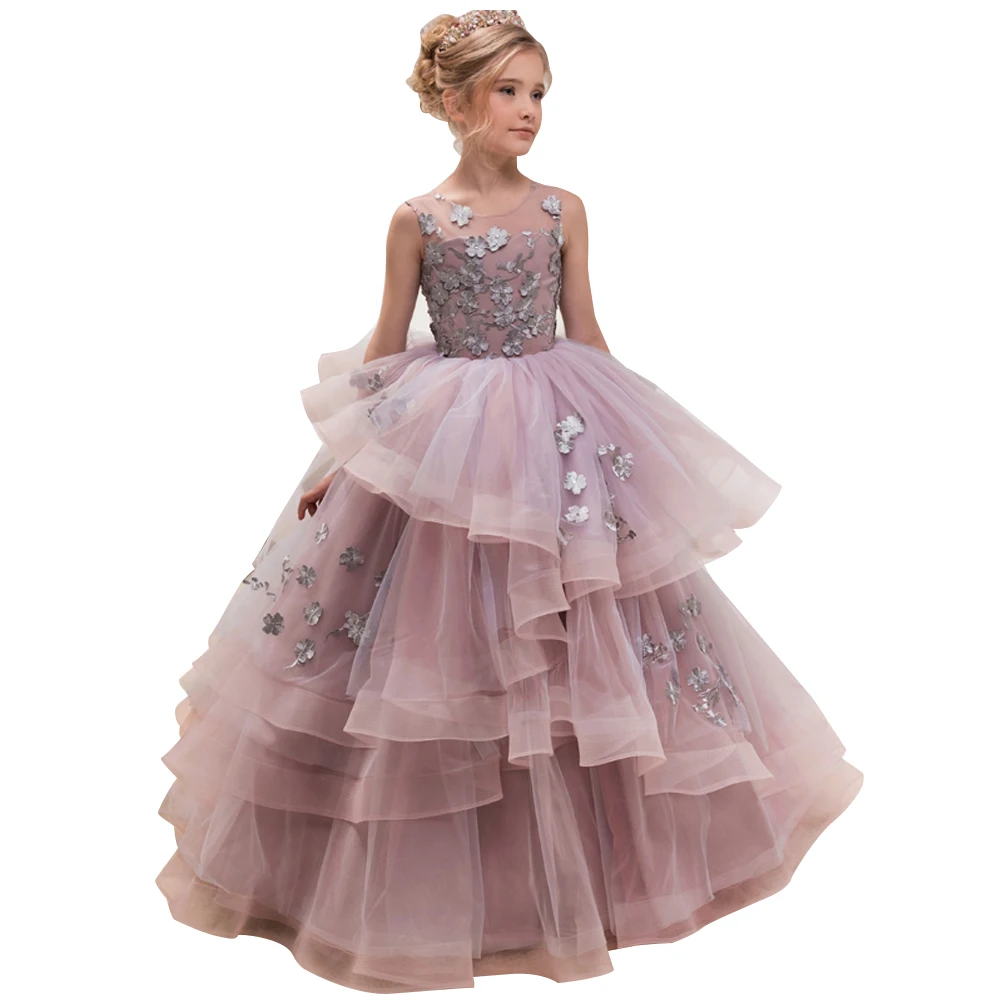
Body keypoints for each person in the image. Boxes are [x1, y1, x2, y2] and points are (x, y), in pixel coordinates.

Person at [156, 10, 864, 993]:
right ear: (455, 102)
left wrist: (634, 444)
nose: (530, 110)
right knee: (442, 651)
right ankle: (449, 884)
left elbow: (588, 332)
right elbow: (382, 351)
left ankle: (581, 882)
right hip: (446, 435)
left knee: (580, 645)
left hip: (557, 437)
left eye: (539, 93)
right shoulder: (416, 218)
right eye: (509, 91)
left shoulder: (564, 208)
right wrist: (341, 461)